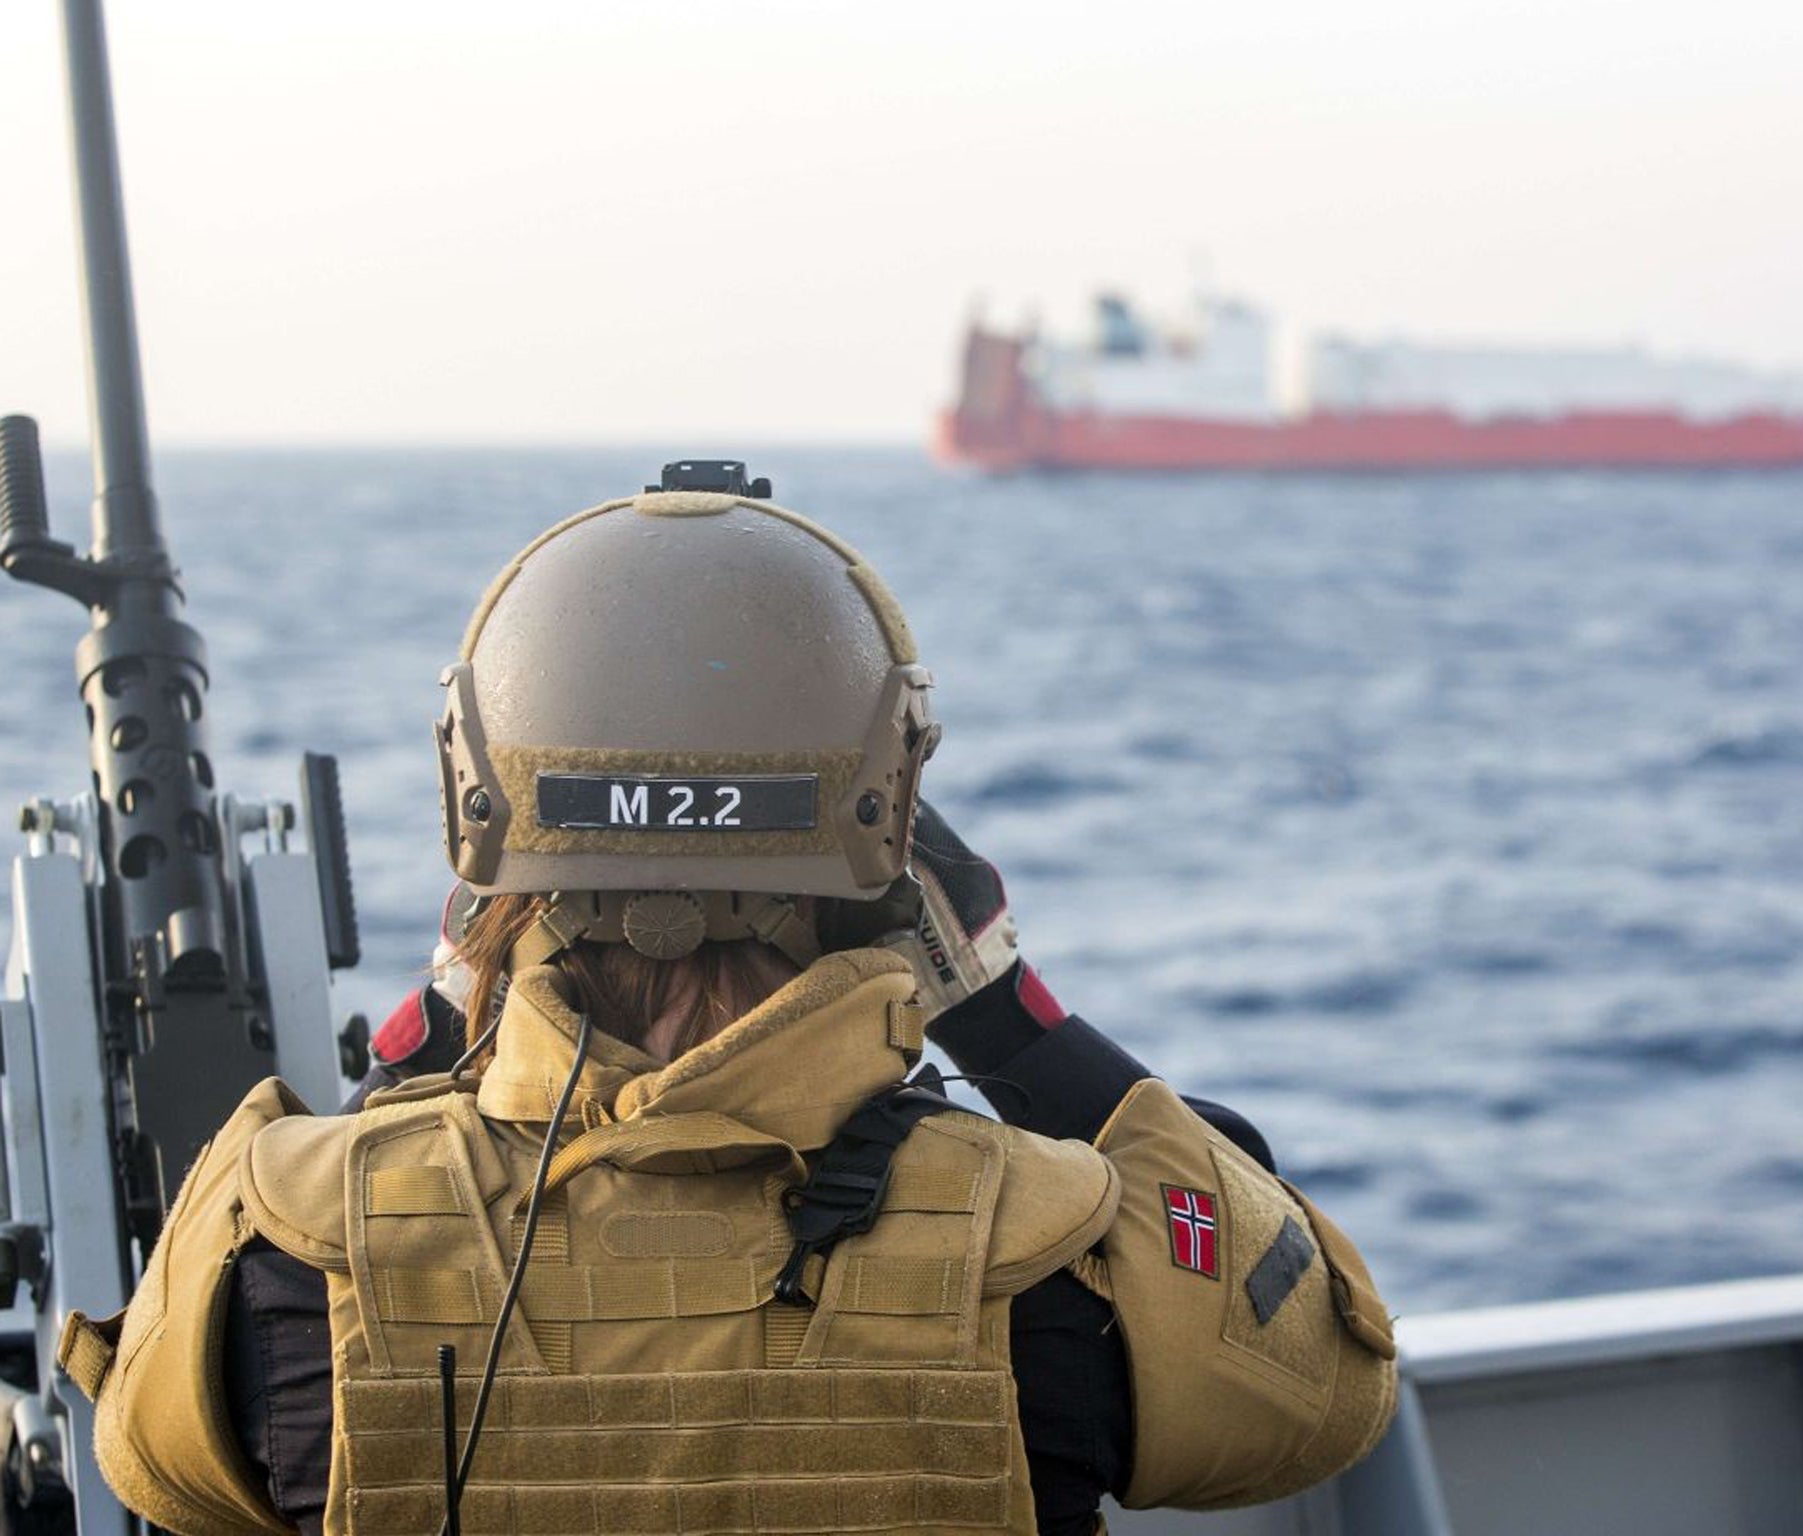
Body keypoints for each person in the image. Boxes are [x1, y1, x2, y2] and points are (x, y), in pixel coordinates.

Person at [63, 486, 1398, 1535]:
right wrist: (1003, 1015)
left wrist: (440, 1018)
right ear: (891, 817)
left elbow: (152, 1463)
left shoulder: (283, 1263)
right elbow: (1324, 1375)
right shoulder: (1060, 1269)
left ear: (482, 809)